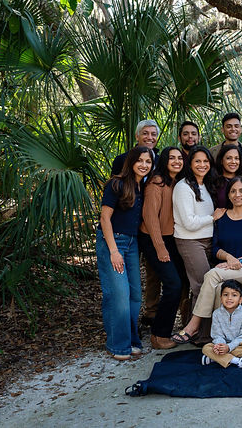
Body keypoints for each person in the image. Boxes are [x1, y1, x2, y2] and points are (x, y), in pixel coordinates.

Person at [172, 177, 242, 343]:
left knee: (212, 274)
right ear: (228, 195)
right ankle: (219, 337)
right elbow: (215, 248)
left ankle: (193, 325)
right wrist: (229, 258)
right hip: (227, 268)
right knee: (217, 287)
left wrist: (238, 261)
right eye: (233, 191)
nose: (237, 195)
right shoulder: (223, 217)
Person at [96, 146, 153, 360]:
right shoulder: (116, 184)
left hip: (132, 242)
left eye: (148, 162)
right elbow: (104, 218)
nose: (144, 165)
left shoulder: (143, 187)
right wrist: (113, 251)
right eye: (140, 160)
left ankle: (131, 340)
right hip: (112, 242)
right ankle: (117, 345)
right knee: (118, 294)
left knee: (135, 294)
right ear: (131, 162)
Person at [172, 146, 226, 342]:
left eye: (205, 161)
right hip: (190, 240)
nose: (202, 165)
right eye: (197, 161)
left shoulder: (206, 185)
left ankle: (205, 332)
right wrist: (212, 217)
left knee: (209, 285)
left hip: (208, 240)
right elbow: (188, 222)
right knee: (202, 285)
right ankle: (198, 334)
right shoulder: (183, 187)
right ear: (190, 163)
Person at [111, 119, 161, 329]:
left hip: (150, 226)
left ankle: (150, 314)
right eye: (145, 133)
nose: (149, 137)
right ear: (137, 136)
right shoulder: (122, 160)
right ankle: (128, 323)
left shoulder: (160, 160)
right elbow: (115, 195)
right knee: (126, 281)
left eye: (153, 134)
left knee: (152, 271)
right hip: (125, 229)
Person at [139, 147, 190, 350]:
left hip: (171, 238)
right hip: (153, 238)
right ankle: (158, 335)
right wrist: (160, 248)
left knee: (181, 282)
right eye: (172, 158)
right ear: (164, 161)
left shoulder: (178, 182)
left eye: (180, 158)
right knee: (173, 284)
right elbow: (150, 218)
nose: (177, 161)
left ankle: (176, 328)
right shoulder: (156, 183)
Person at [200, 280, 242, 371]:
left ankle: (215, 358)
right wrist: (221, 346)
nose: (229, 298)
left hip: (238, 345)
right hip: (222, 344)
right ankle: (238, 361)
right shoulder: (216, 313)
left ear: (241, 299)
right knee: (206, 348)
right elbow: (217, 335)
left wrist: (229, 347)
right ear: (221, 297)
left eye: (234, 295)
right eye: (225, 295)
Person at [214, 144, 242, 208]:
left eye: (236, 158)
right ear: (221, 160)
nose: (233, 162)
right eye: (229, 158)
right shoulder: (214, 182)